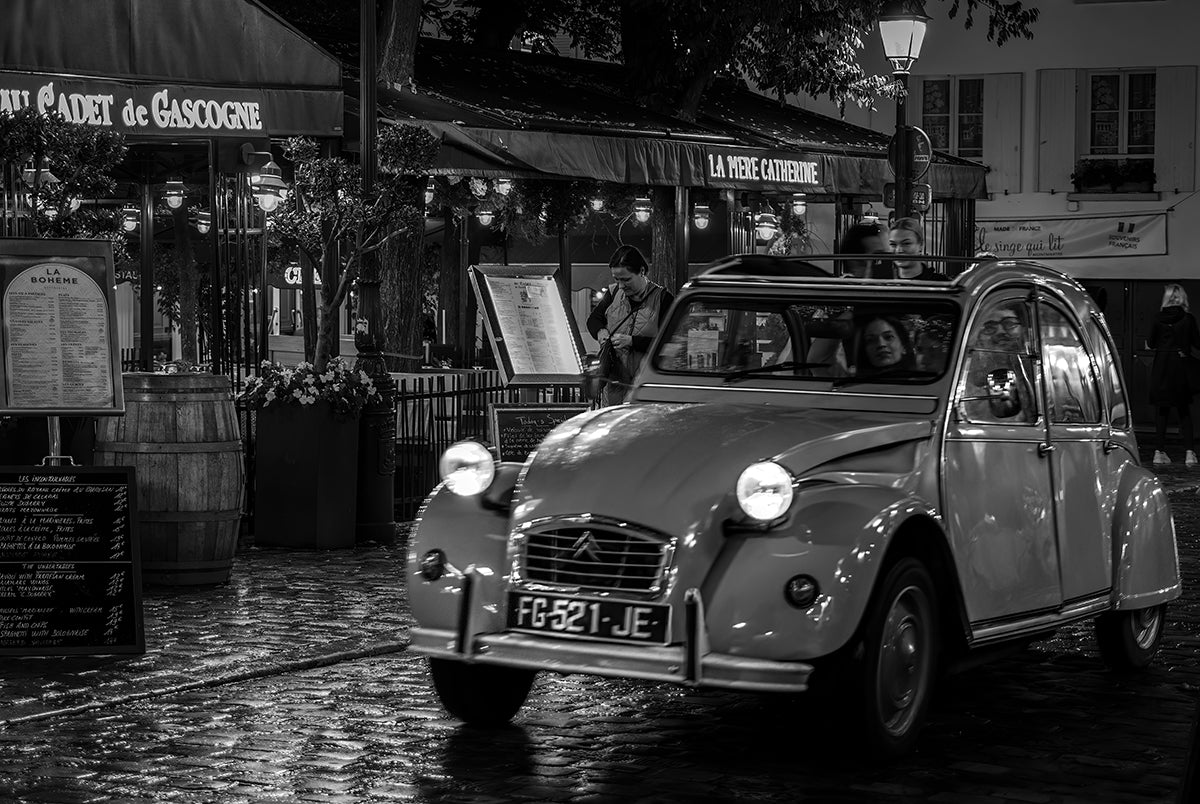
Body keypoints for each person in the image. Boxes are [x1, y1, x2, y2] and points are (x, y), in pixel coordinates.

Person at [587, 245, 675, 406]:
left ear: (641, 271)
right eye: (616, 279)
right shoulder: (613, 294)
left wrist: (632, 341)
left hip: (646, 393)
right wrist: (601, 332)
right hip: (613, 390)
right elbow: (593, 320)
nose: (621, 285)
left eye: (626, 279)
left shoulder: (664, 299)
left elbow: (671, 346)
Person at [1147, 283, 1200, 466]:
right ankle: (1189, 453)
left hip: (1162, 366)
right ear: (1182, 298)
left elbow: (1151, 343)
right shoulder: (1188, 319)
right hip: (1180, 365)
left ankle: (1159, 452)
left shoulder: (1157, 318)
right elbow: (1197, 343)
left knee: (1162, 410)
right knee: (1184, 410)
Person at [962, 301, 1035, 422]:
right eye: (990, 328)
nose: (1000, 332)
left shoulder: (1041, 371)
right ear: (979, 336)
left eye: (1010, 324)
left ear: (1024, 330)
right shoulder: (966, 378)